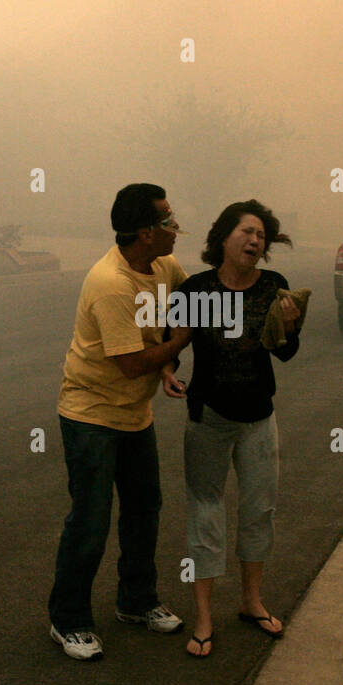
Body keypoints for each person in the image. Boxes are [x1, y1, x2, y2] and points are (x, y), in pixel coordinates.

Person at [48, 183, 193, 660]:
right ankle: (68, 620)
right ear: (146, 233)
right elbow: (132, 362)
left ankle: (136, 601)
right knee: (90, 521)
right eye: (169, 221)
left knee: (144, 510)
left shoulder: (164, 266)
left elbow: (182, 308)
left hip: (134, 412)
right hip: (91, 413)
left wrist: (168, 366)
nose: (177, 228)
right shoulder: (111, 284)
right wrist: (179, 345)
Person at [166, 200, 303, 658]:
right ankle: (204, 617)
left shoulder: (274, 288)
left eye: (261, 236)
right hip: (209, 418)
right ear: (223, 238)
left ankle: (251, 601)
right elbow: (176, 341)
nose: (255, 241)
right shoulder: (196, 290)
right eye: (246, 232)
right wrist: (167, 369)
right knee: (206, 512)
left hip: (259, 418)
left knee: (259, 509)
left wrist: (290, 328)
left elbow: (283, 353)